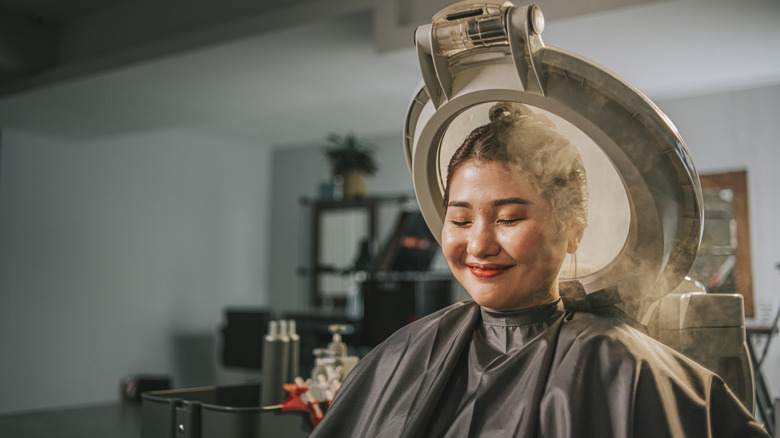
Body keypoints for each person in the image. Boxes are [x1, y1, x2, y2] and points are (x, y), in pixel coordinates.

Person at [310, 102, 768, 437]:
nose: (479, 244)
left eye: (508, 218)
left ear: (572, 231)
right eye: (461, 219)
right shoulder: (405, 352)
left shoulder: (622, 368)